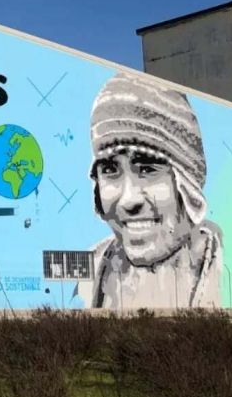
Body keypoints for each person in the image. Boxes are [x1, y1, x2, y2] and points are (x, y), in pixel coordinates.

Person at [80, 72, 221, 309]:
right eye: (110, 169)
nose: (129, 200)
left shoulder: (230, 266)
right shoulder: (90, 271)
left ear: (188, 181)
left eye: (147, 169)